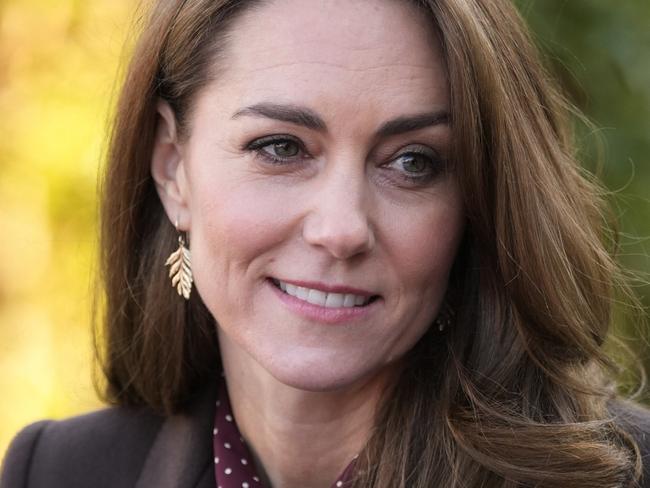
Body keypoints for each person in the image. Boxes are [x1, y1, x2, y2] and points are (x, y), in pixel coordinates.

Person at [2, 0, 649, 487]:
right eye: (281, 147)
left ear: (476, 200)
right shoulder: (57, 472)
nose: (341, 229)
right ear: (173, 167)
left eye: (413, 162)